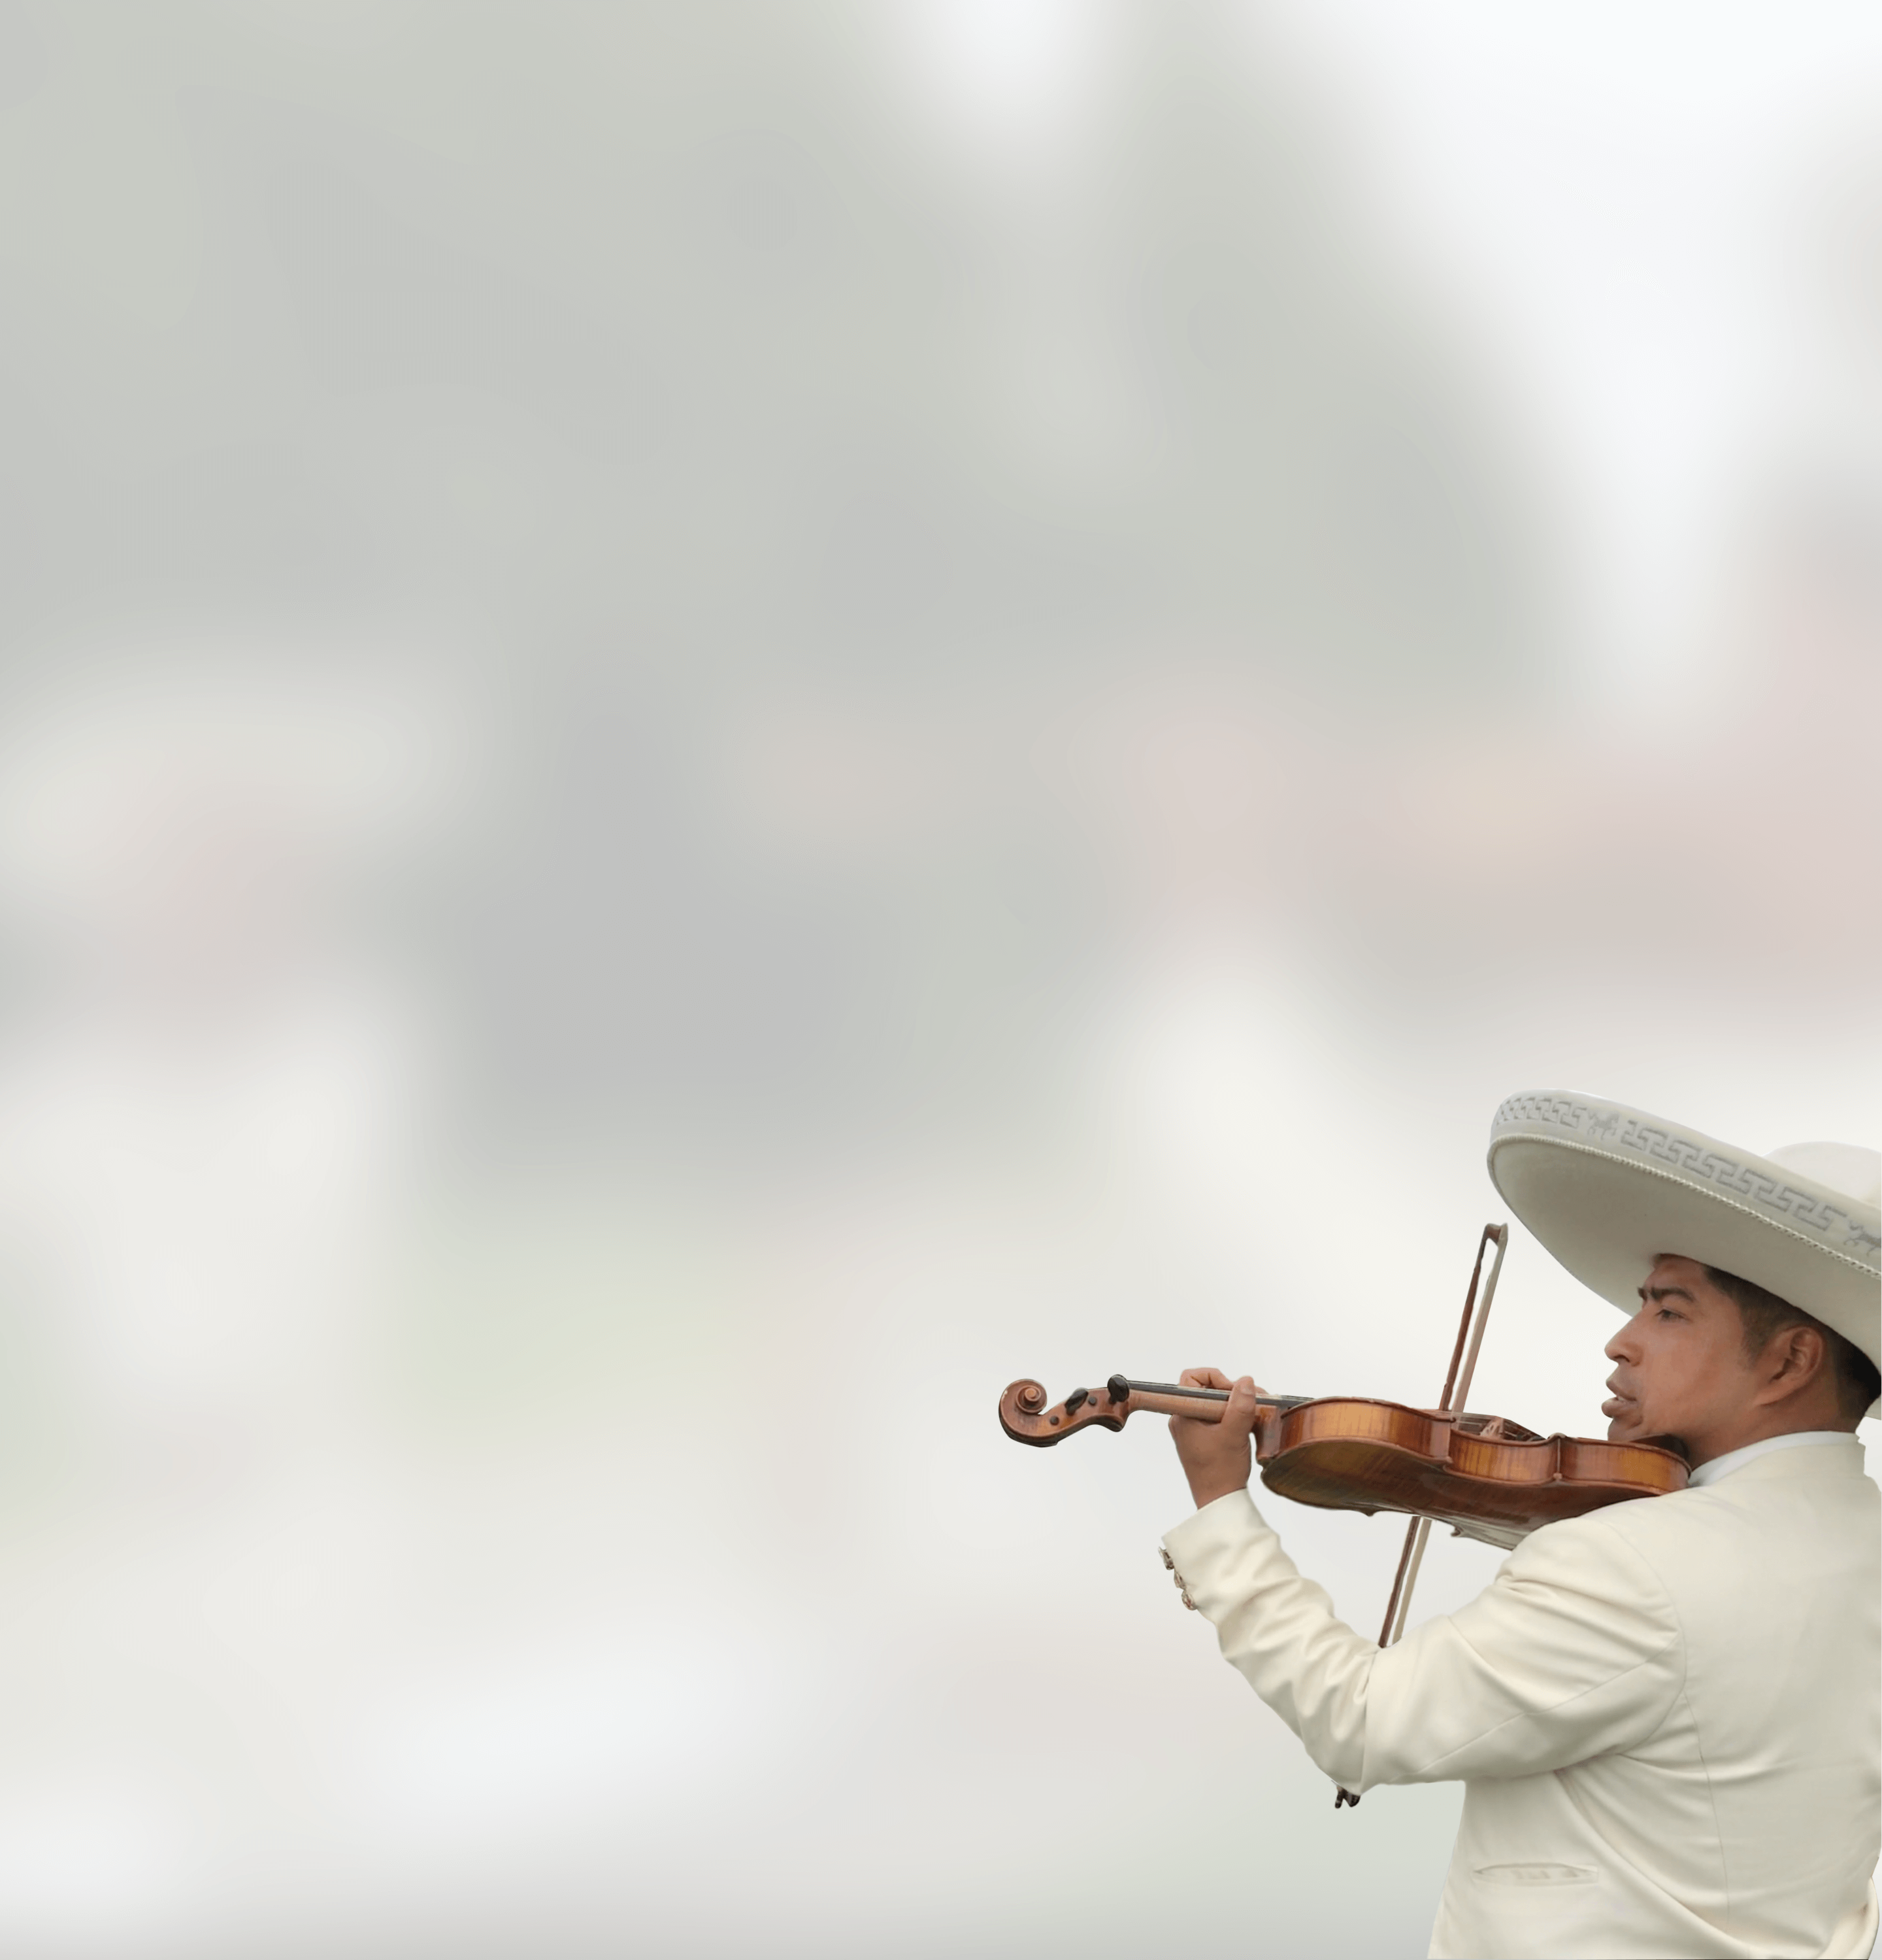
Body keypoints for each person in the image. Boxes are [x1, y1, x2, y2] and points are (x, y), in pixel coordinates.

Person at [1162, 1092, 1880, 1960]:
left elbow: (1361, 1722)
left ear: (1790, 1360)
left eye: (1669, 1309)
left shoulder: (1632, 1563)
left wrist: (1222, 1513)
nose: (1622, 1340)